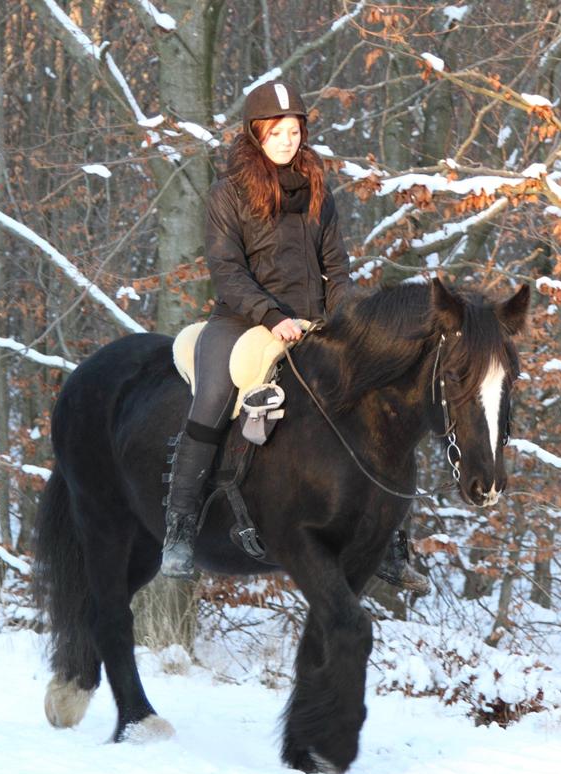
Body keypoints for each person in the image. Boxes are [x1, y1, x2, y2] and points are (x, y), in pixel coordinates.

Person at [160, 80, 427, 595]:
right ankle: (179, 532)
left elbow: (336, 268)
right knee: (212, 403)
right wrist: (270, 314)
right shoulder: (227, 193)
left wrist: (350, 319)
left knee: (381, 397)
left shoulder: (317, 189)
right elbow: (227, 271)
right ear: (255, 133)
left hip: (311, 322)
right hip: (240, 321)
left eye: (294, 131)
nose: (287, 140)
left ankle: (393, 544)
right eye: (276, 131)